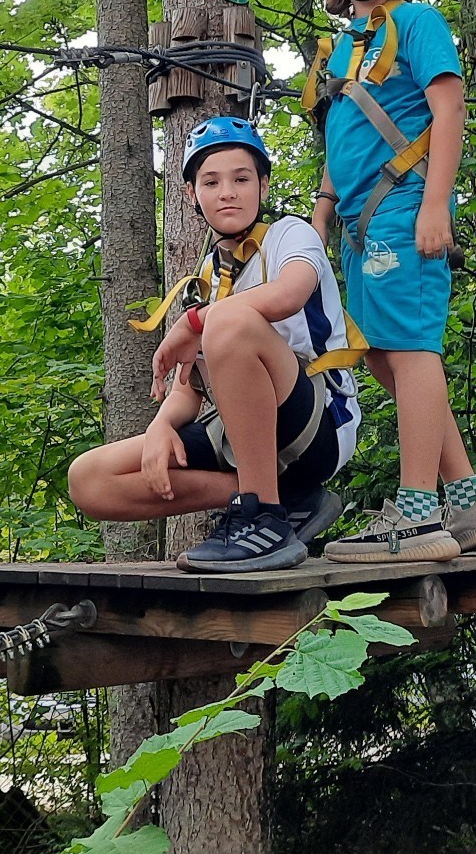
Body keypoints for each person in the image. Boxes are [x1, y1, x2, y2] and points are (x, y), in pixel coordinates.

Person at [304, 0, 476, 563]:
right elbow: (343, 136)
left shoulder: (418, 22)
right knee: (380, 352)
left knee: (413, 349)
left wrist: (435, 205)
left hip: (405, 205)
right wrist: (321, 215)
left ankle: (418, 515)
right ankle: (470, 505)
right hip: (358, 223)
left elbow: (448, 110)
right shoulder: (343, 49)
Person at [68, 117, 361, 572]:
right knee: (90, 479)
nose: (228, 192)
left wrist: (196, 321)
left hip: (316, 426)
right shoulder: (208, 275)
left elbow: (288, 295)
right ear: (192, 194)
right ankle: (281, 500)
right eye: (211, 182)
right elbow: (190, 386)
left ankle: (262, 516)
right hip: (244, 435)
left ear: (263, 186)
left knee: (230, 320)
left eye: (242, 179)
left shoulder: (290, 235)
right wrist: (161, 427)